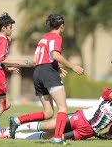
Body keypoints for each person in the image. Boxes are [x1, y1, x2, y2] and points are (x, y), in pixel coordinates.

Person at [8, 14, 85, 144]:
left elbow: (36, 59)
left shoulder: (43, 38)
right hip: (48, 72)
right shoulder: (57, 37)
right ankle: (58, 138)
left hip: (38, 72)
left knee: (49, 112)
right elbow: (55, 55)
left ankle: (17, 121)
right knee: (62, 108)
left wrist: (57, 67)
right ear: (62, 26)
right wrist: (73, 66)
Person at [0, 82, 112, 143]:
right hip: (81, 118)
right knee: (49, 126)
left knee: (50, 136)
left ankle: (18, 136)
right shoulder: (108, 94)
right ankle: (12, 128)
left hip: (87, 132)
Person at [0, 12, 29, 130]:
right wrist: (19, 62)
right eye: (10, 27)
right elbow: (0, 58)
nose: (12, 30)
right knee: (4, 104)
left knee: (0, 104)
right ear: (4, 28)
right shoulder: (2, 40)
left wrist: (7, 68)